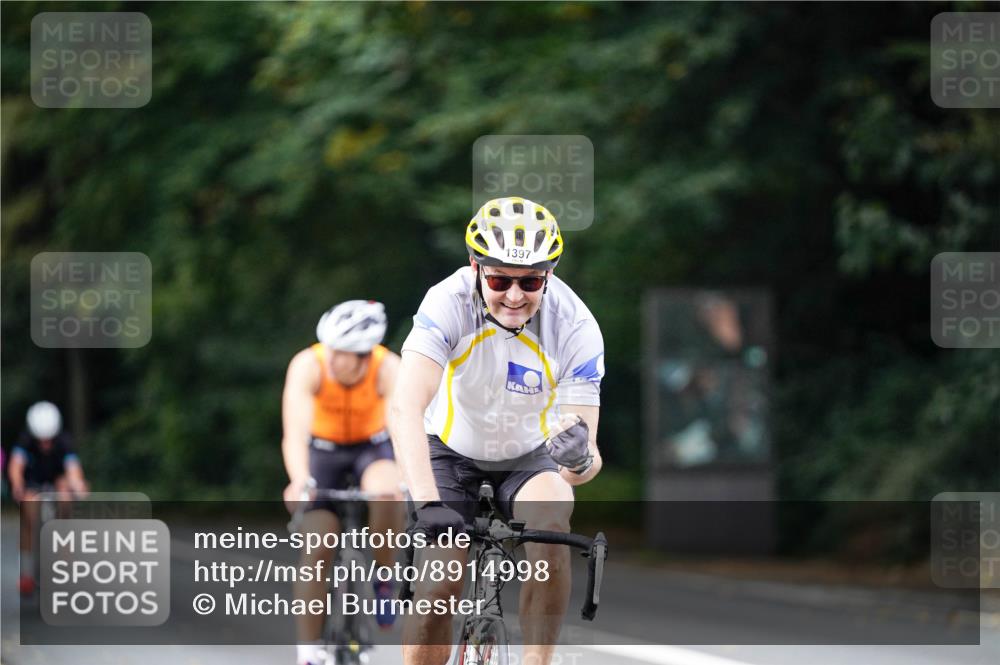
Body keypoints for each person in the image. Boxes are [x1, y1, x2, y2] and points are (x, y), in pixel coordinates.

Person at [389, 197, 605, 665]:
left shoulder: (576, 326)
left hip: (528, 455)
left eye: (529, 282)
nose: (513, 295)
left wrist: (579, 460)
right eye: (498, 279)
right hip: (449, 449)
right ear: (475, 267)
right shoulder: (446, 302)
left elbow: (585, 466)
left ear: (549, 275)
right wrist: (426, 503)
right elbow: (405, 405)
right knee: (440, 581)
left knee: (552, 525)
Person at [281, 300, 405, 665]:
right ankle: (308, 651)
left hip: (372, 447)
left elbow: (400, 430)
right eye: (330, 348)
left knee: (387, 491)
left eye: (344, 353)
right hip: (323, 452)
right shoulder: (309, 365)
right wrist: (300, 480)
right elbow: (294, 433)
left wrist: (407, 478)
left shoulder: (388, 368)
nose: (332, 358)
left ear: (366, 356)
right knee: (317, 548)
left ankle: (384, 575)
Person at [8, 401, 89, 596]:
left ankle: (64, 564)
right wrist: (17, 485)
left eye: (48, 439)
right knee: (28, 514)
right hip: (32, 484)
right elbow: (15, 466)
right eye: (40, 440)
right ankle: (27, 573)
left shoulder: (64, 441)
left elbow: (73, 469)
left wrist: (79, 485)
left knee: (65, 498)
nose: (45, 444)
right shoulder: (25, 441)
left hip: (57, 482)